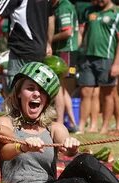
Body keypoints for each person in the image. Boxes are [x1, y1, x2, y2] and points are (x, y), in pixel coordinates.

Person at [77, 0, 119, 135]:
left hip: (107, 58)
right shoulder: (89, 10)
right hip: (87, 58)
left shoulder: (118, 14)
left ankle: (105, 126)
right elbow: (81, 33)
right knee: (85, 92)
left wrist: (117, 62)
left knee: (108, 94)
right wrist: (77, 51)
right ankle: (81, 127)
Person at [52, 0, 79, 132]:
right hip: (66, 50)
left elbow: (67, 32)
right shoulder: (62, 5)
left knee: (59, 87)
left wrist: (48, 40)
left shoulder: (63, 7)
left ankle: (60, 122)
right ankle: (73, 122)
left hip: (65, 50)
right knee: (62, 88)